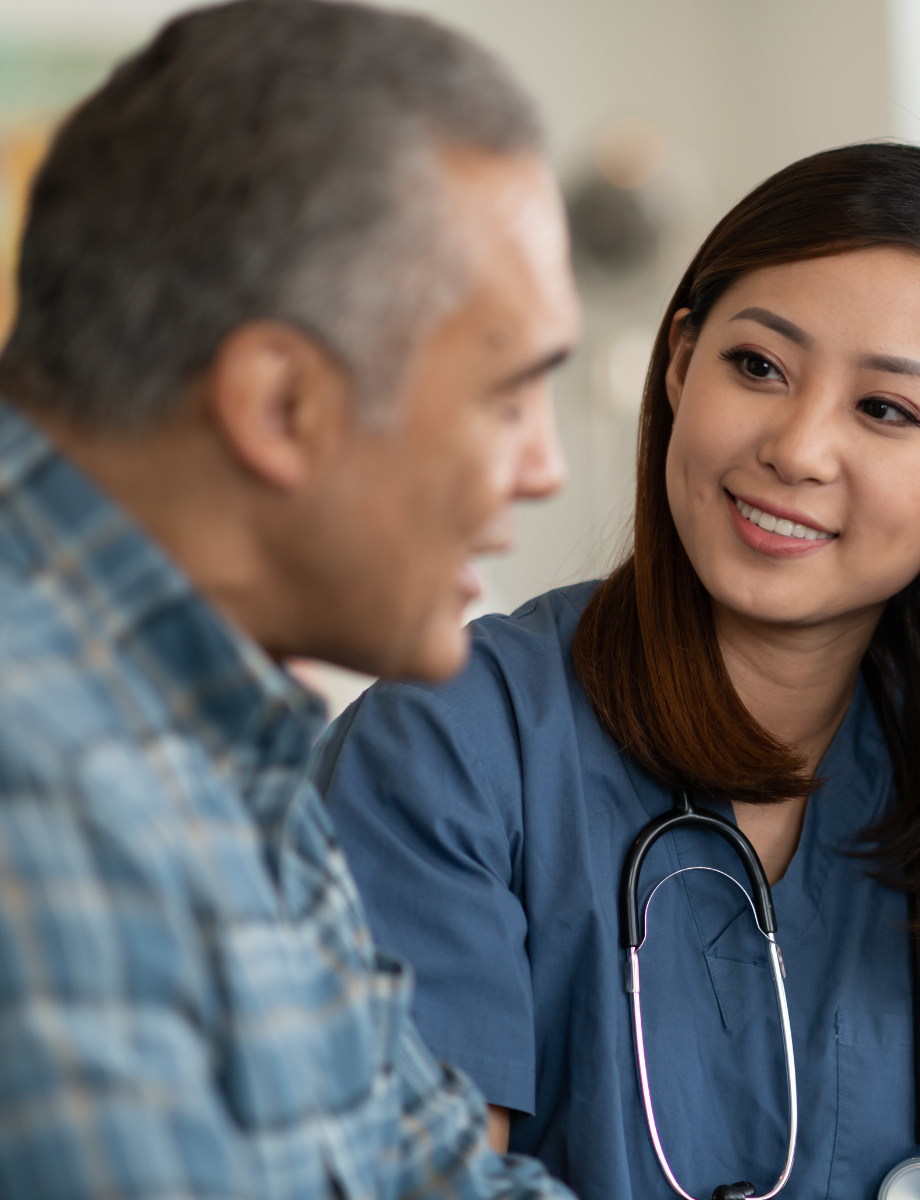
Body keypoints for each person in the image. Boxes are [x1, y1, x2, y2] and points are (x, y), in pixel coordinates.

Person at [317, 142, 920, 1199]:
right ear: (680, 364)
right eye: (758, 367)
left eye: (886, 410)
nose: (799, 447)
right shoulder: (451, 743)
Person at [0, 2, 587, 1197]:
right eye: (509, 396)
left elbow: (441, 1178)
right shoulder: (40, 787)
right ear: (282, 405)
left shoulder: (230, 744)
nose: (547, 467)